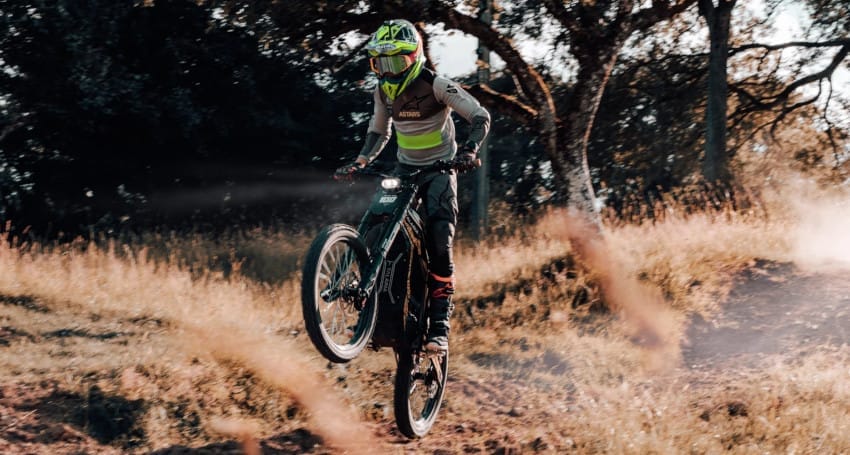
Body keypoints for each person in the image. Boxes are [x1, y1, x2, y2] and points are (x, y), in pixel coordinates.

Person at [335, 19, 490, 353]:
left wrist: (468, 151)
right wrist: (360, 162)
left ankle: (439, 325)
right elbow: (379, 132)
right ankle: (368, 310)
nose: (388, 72)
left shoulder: (437, 85)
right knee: (377, 226)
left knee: (440, 241)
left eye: (395, 62)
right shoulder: (381, 91)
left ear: (414, 56)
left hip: (440, 169)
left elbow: (480, 116)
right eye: (381, 64)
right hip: (404, 170)